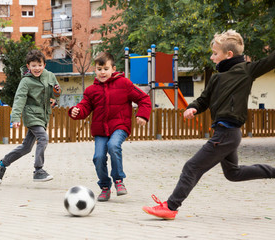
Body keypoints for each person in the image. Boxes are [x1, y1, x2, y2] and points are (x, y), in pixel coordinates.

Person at [142, 29, 275, 220]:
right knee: (233, 173)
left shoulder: (246, 70)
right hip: (225, 133)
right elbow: (203, 100)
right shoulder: (216, 77)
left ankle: (170, 207)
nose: (212, 57)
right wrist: (193, 107)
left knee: (192, 167)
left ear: (229, 55)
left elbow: (270, 60)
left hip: (227, 132)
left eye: (215, 53)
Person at [68, 52, 152, 202]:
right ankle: (105, 187)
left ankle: (119, 180)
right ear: (95, 70)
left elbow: (143, 98)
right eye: (99, 69)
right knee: (98, 157)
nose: (102, 72)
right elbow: (85, 107)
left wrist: (143, 115)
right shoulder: (91, 91)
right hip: (100, 130)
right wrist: (76, 111)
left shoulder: (124, 84)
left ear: (113, 69)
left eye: (105, 69)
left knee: (113, 146)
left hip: (120, 125)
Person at [0, 49, 61, 184]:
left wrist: (56, 94)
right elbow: (19, 99)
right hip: (31, 115)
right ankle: (38, 170)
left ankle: (2, 164)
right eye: (33, 65)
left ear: (44, 65)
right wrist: (15, 118)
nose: (37, 68)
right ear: (28, 66)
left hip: (43, 116)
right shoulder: (26, 81)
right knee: (43, 137)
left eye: (39, 65)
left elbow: (55, 94)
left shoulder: (50, 76)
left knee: (26, 147)